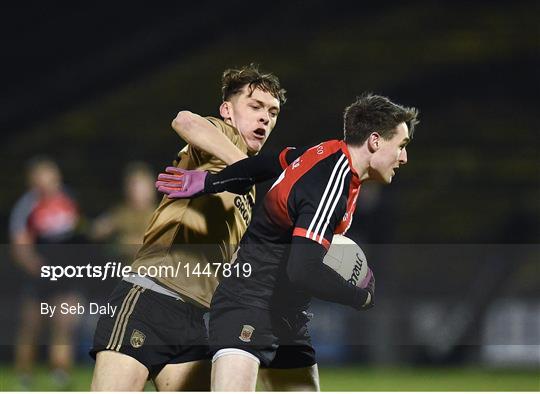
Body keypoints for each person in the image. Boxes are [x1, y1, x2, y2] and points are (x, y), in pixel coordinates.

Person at [157, 93, 419, 391]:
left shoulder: (328, 152)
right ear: (374, 141)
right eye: (401, 146)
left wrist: (209, 182)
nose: (404, 157)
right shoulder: (331, 183)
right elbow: (304, 270)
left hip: (287, 316)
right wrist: (360, 297)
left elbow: (267, 164)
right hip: (248, 304)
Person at [90, 64, 293, 391]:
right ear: (227, 110)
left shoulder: (248, 186)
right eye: (255, 107)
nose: (265, 118)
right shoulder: (222, 136)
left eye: (272, 112)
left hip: (195, 317)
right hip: (149, 297)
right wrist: (245, 166)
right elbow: (184, 120)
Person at [9, 157, 84, 390]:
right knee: (31, 326)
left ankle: (60, 372)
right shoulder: (26, 206)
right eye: (42, 178)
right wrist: (37, 268)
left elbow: (78, 234)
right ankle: (24, 374)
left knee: (64, 323)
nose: (48, 183)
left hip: (66, 275)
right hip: (38, 276)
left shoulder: (68, 199)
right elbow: (20, 247)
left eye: (52, 177)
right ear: (33, 182)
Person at [90, 162, 157, 261]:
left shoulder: (160, 214)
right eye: (132, 185)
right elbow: (97, 230)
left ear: (151, 188)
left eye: (140, 185)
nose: (135, 190)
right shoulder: (120, 212)